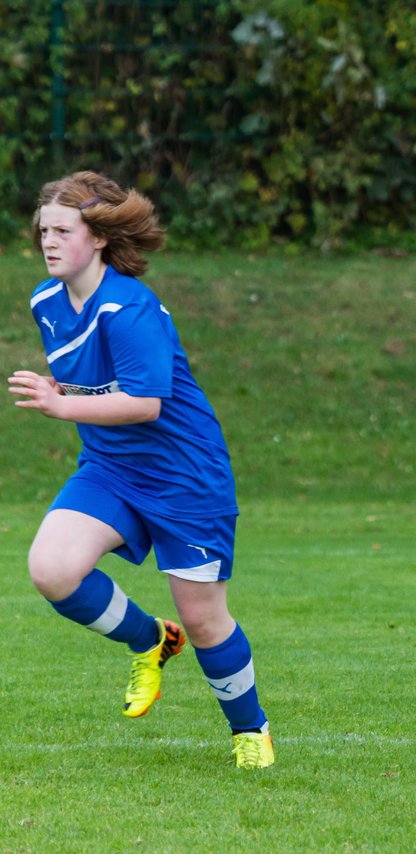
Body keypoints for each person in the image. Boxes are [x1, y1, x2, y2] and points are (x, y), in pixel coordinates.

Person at [8, 172, 274, 769]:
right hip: (110, 468)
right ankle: (152, 641)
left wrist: (61, 404)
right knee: (52, 570)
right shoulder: (46, 302)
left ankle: (250, 731)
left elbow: (145, 402)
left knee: (204, 620)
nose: (49, 242)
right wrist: (65, 388)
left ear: (98, 237)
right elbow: (93, 378)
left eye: (63, 230)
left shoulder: (129, 307)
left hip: (185, 476)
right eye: (43, 230)